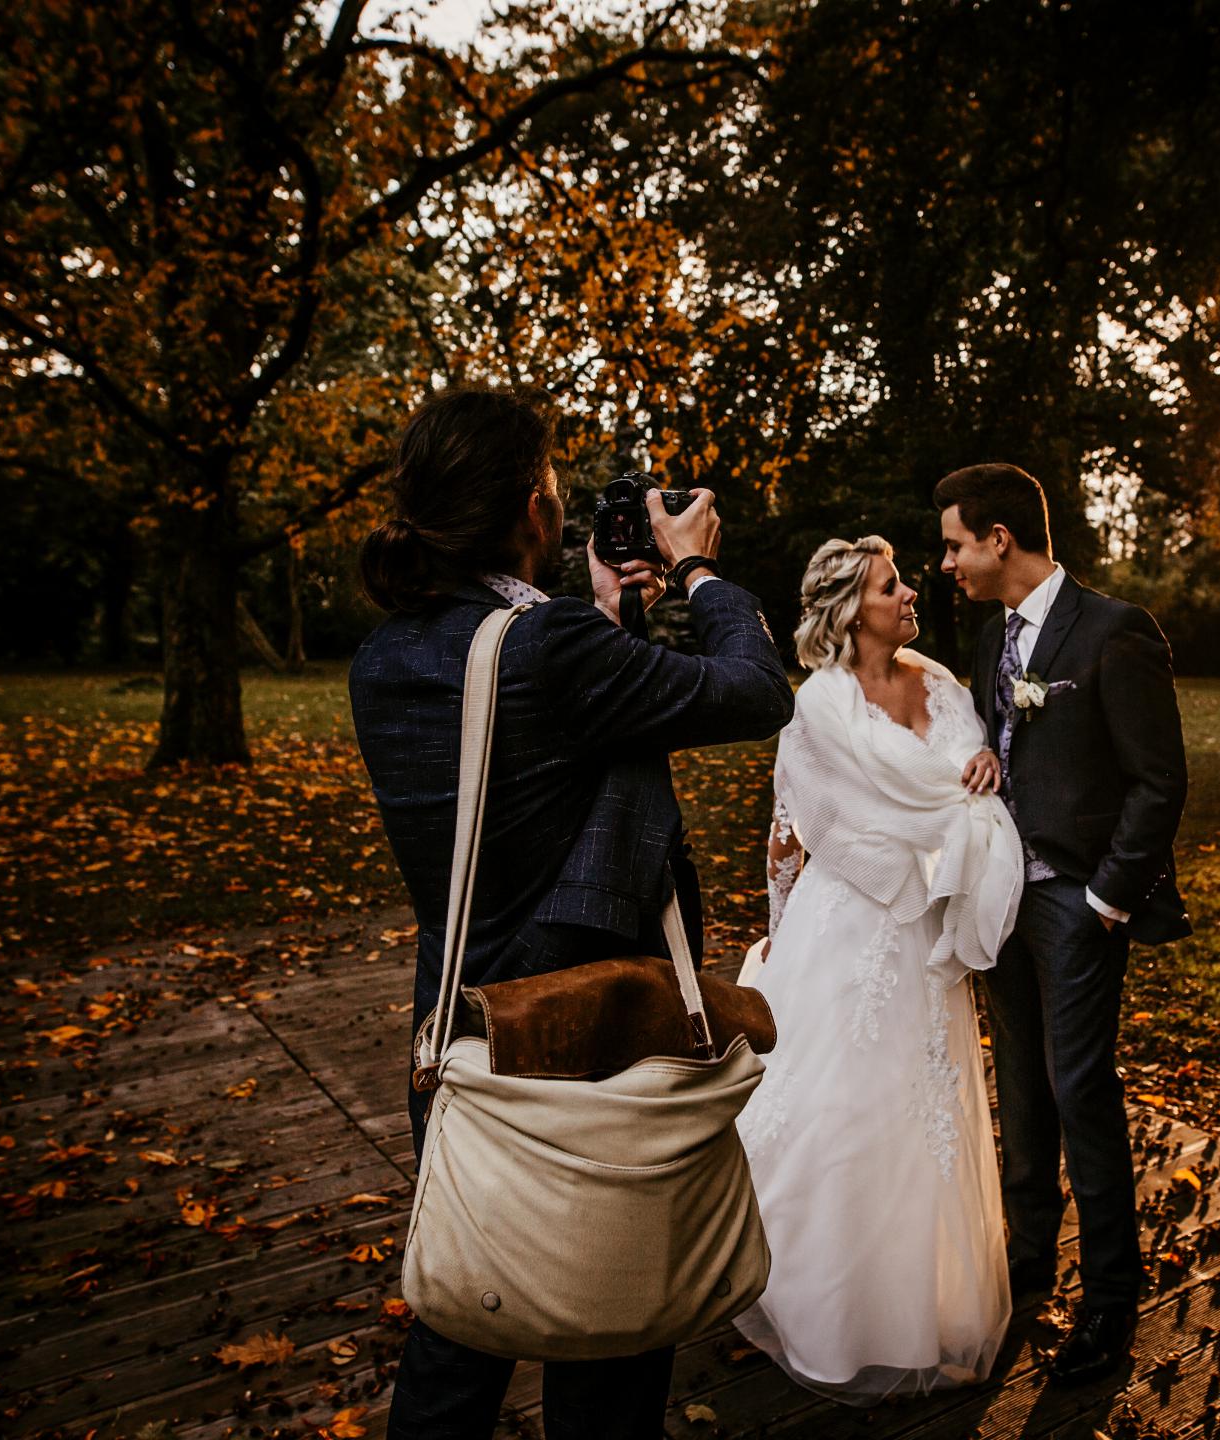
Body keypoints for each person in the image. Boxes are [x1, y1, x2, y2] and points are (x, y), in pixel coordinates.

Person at [346, 384, 794, 1440]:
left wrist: (597, 607)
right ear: (530, 510)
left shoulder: (386, 661)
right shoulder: (552, 652)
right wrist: (696, 567)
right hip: (588, 1032)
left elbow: (535, 755)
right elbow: (754, 686)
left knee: (460, 1324)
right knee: (611, 1336)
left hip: (464, 1027)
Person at [732, 536, 1024, 1405]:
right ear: (851, 608)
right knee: (836, 1113)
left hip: (925, 936)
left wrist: (986, 768)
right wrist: (782, 931)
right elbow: (791, 829)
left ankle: (912, 1311)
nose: (909, 597)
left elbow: (966, 792)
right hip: (844, 925)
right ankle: (810, 1304)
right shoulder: (817, 707)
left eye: (901, 584)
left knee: (917, 1118)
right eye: (891, 587)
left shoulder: (939, 683)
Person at [935, 462, 1190, 1387]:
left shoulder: (1115, 631)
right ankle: (1029, 1263)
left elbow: (1160, 781)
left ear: (1000, 539)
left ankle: (1110, 1302)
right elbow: (997, 747)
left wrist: (1104, 901)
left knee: (1079, 1087)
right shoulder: (989, 634)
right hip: (998, 900)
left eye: (958, 543)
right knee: (1026, 1090)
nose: (949, 561)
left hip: (1075, 905)